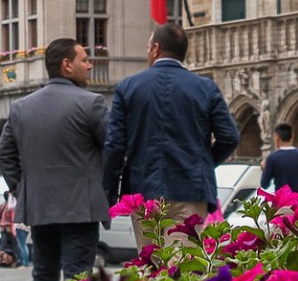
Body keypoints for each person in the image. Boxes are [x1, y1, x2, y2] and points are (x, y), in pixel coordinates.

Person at [0, 37, 112, 281]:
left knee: (44, 275)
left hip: (40, 208)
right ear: (67, 65)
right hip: (81, 209)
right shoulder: (91, 103)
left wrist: (24, 187)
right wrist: (106, 189)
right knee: (78, 276)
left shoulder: (21, 107)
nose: (90, 65)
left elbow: (3, 156)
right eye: (84, 60)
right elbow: (114, 149)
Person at [101, 23, 240, 221]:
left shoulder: (129, 87)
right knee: (186, 252)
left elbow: (114, 145)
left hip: (145, 190)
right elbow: (229, 137)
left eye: (148, 48)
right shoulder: (205, 88)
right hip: (191, 189)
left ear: (156, 49)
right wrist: (202, 162)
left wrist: (110, 191)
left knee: (151, 251)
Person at [260, 122, 298, 197]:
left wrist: (264, 169)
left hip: (281, 203)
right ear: (292, 136)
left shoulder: (273, 158)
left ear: (277, 137)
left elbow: (264, 184)